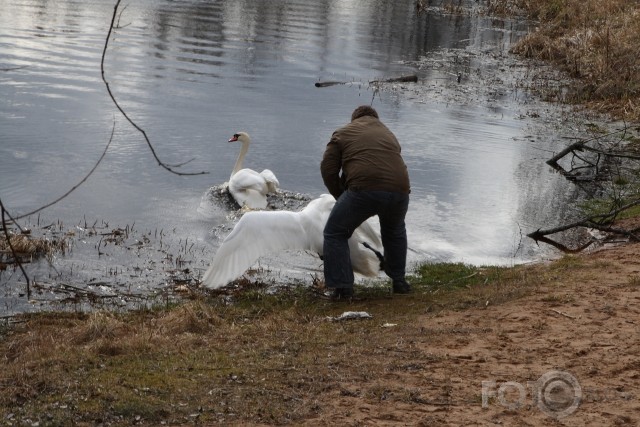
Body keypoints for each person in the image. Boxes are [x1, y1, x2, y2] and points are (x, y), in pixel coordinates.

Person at [320, 105, 411, 299]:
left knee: (334, 232)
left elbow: (328, 169)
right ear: (375, 118)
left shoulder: (342, 133)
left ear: (354, 119)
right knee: (394, 231)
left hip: (364, 190)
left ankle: (343, 288)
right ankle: (399, 282)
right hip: (400, 191)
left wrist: (340, 197)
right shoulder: (389, 134)